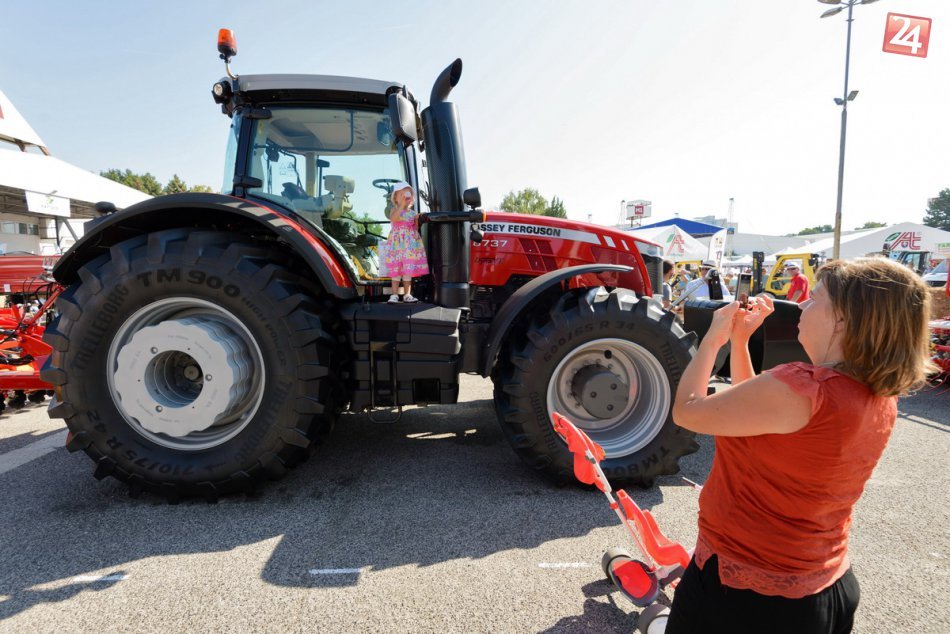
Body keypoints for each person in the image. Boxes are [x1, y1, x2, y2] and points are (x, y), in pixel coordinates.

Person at [666, 258, 935, 634]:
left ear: (841, 320)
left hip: (745, 595)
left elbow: (688, 411)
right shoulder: (875, 395)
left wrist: (713, 338)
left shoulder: (805, 385)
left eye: (815, 299)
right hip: (822, 587)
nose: (803, 307)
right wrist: (741, 342)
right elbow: (756, 418)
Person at [379, 182, 428, 303]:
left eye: (408, 194)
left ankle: (407, 294)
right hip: (397, 246)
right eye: (401, 194)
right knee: (396, 272)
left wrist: (417, 219)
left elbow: (414, 229)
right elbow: (394, 219)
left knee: (407, 271)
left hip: (409, 247)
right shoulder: (394, 210)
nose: (405, 196)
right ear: (395, 198)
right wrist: (401, 205)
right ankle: (394, 295)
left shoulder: (412, 213)